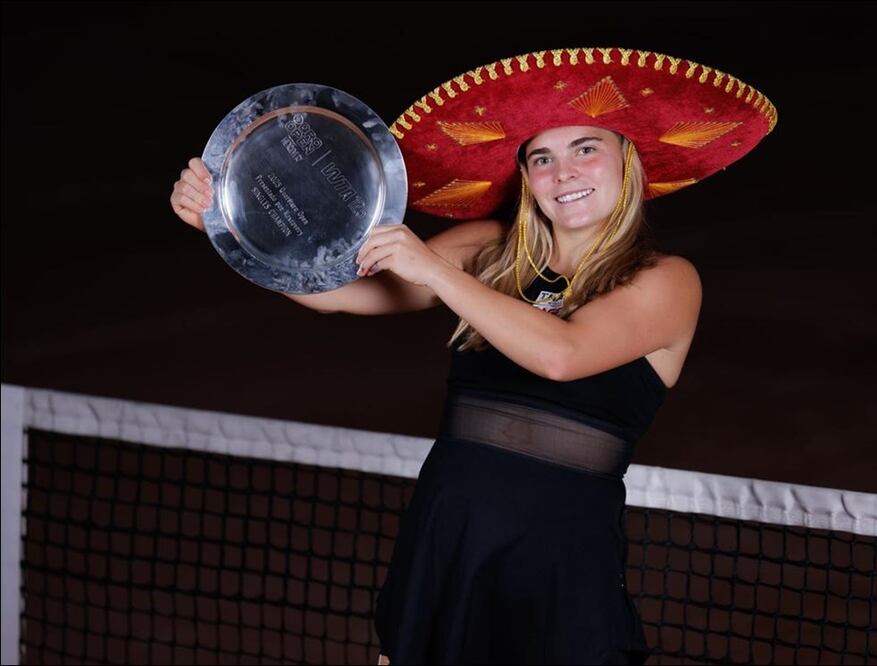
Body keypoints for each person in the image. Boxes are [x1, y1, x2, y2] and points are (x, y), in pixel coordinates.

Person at [170, 47, 775, 665]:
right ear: (525, 175)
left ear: (628, 161)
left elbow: (561, 356)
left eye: (585, 148)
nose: (563, 173)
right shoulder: (490, 248)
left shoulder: (666, 281)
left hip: (557, 562)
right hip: (447, 541)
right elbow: (340, 295)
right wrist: (227, 225)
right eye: (542, 157)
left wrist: (435, 271)